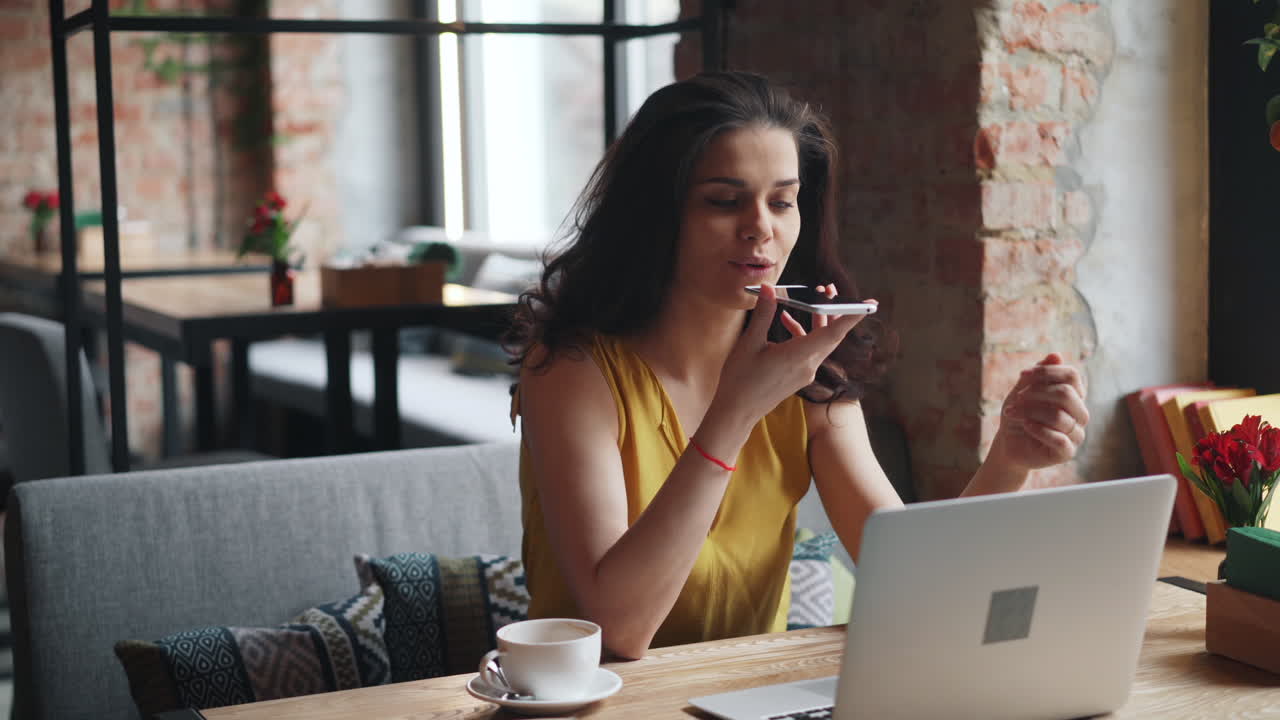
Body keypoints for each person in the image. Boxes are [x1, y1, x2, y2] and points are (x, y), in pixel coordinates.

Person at [507, 71, 1088, 660]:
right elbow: (620, 629)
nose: (762, 226)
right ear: (656, 214)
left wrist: (1009, 462)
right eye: (724, 201)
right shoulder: (570, 370)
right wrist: (736, 410)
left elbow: (924, 585)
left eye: (783, 201)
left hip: (750, 699)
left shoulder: (808, 368)